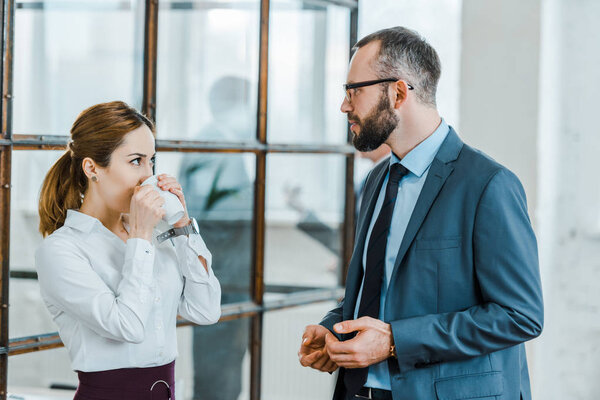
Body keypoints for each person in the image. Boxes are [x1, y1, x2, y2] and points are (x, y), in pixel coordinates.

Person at [298, 27, 543, 400]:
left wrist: (396, 342)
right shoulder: (378, 179)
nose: (345, 106)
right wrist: (335, 326)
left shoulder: (489, 185)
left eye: (354, 91)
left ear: (397, 93)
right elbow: (378, 289)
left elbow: (519, 314)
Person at [35, 101, 221, 400]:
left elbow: (206, 310)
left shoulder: (155, 239)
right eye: (136, 161)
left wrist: (182, 224)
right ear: (92, 168)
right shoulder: (61, 250)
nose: (148, 176)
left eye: (151, 161)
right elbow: (128, 327)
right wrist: (140, 234)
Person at [178, 76, 254, 400]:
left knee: (228, 379)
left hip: (235, 280)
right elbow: (200, 218)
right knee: (215, 382)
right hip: (219, 279)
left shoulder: (232, 145)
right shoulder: (212, 144)